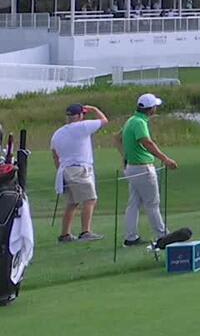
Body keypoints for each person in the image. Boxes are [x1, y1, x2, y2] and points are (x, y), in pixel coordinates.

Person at [121, 93, 178, 247]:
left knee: (134, 203)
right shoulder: (139, 122)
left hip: (132, 167)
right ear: (150, 109)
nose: (155, 109)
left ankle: (130, 237)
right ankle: (163, 236)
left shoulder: (131, 120)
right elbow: (147, 142)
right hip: (143, 167)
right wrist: (165, 159)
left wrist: (124, 158)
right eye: (155, 107)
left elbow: (118, 138)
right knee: (152, 203)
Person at [50, 104, 110, 243]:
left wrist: (60, 169)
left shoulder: (58, 133)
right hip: (79, 169)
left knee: (72, 203)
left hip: (65, 169)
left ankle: (65, 234)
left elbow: (55, 155)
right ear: (78, 116)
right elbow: (104, 121)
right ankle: (85, 232)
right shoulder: (82, 127)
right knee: (90, 199)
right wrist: (95, 109)